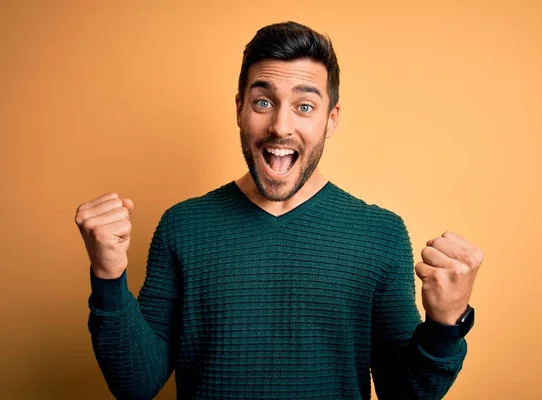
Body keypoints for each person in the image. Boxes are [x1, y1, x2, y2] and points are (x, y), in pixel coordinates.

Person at [75, 21, 483, 400]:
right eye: (264, 102)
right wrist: (108, 277)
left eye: (305, 106)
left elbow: (406, 393)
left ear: (331, 119)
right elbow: (136, 384)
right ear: (240, 109)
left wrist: (446, 324)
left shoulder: (381, 234)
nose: (280, 126)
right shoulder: (182, 226)